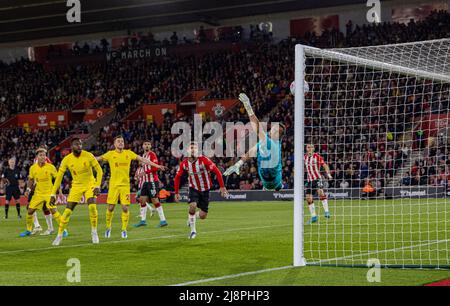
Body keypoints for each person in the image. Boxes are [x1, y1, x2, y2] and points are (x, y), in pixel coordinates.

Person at [96, 136, 166, 239]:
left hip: (125, 186)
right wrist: (86, 157)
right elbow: (98, 158)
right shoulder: (110, 154)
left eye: (122, 141)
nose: (121, 143)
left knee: (125, 208)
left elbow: (143, 160)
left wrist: (157, 166)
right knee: (110, 208)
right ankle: (108, 227)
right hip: (114, 185)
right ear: (114, 144)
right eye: (118, 141)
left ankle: (124, 229)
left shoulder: (128, 153)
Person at [224, 93, 284, 191]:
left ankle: (277, 186)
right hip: (269, 179)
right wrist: (238, 164)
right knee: (258, 149)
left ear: (278, 136)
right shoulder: (267, 142)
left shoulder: (271, 143)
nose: (271, 130)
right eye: (272, 128)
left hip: (272, 180)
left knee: (275, 184)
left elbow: (257, 128)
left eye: (275, 130)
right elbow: (251, 152)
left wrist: (248, 105)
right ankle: (278, 186)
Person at [49, 138, 103, 246]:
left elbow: (100, 171)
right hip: (76, 186)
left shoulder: (88, 155)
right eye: (76, 144)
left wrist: (97, 185)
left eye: (80, 144)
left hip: (90, 184)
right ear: (71, 146)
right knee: (67, 212)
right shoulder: (67, 159)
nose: (79, 146)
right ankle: (59, 235)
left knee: (92, 207)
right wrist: (52, 193)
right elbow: (59, 177)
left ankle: (94, 232)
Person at [174, 142, 229, 239]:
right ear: (187, 151)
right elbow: (177, 177)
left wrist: (222, 186)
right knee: (193, 206)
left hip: (205, 189)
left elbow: (217, 171)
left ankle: (192, 217)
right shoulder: (184, 163)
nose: (193, 150)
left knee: (203, 215)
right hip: (193, 188)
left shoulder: (204, 160)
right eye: (191, 148)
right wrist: (177, 192)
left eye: (195, 148)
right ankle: (193, 231)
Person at [19, 148, 67, 238]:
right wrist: (28, 189)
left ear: (46, 157)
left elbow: (57, 180)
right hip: (38, 194)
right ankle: (29, 230)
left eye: (44, 155)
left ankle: (63, 229)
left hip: (49, 193)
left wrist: (60, 192)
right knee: (30, 211)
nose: (42, 157)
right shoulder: (33, 168)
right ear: (37, 157)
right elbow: (31, 179)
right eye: (40, 155)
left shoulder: (51, 167)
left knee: (53, 211)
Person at [133, 140, 168, 228]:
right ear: (142, 146)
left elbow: (155, 168)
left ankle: (163, 220)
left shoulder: (152, 154)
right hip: (145, 182)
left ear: (151, 146)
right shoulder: (143, 156)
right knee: (142, 200)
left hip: (152, 181)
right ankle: (143, 220)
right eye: (145, 144)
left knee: (155, 200)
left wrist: (145, 172)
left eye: (148, 144)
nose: (147, 146)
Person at [303, 144, 333, 224]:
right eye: (308, 147)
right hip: (309, 180)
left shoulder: (317, 157)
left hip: (318, 178)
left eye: (311, 147)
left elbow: (325, 165)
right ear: (306, 148)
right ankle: (313, 217)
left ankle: (326, 211)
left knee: (320, 192)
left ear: (313, 148)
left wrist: (328, 174)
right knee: (308, 198)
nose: (309, 148)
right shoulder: (304, 157)